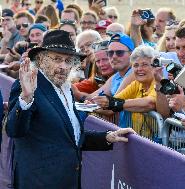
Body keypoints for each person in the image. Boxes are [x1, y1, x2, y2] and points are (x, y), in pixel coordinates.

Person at [6, 30, 134, 188]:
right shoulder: (28, 85)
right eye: (57, 59)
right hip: (38, 182)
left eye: (68, 61)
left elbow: (67, 137)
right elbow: (14, 131)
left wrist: (107, 137)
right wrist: (26, 98)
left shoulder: (66, 88)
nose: (63, 66)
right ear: (41, 59)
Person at [91, 45, 157, 136]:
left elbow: (150, 103)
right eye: (136, 65)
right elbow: (113, 104)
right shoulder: (136, 84)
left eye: (145, 64)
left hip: (158, 144)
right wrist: (92, 104)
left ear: (154, 66)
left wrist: (114, 103)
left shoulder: (158, 83)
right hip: (139, 140)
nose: (139, 69)